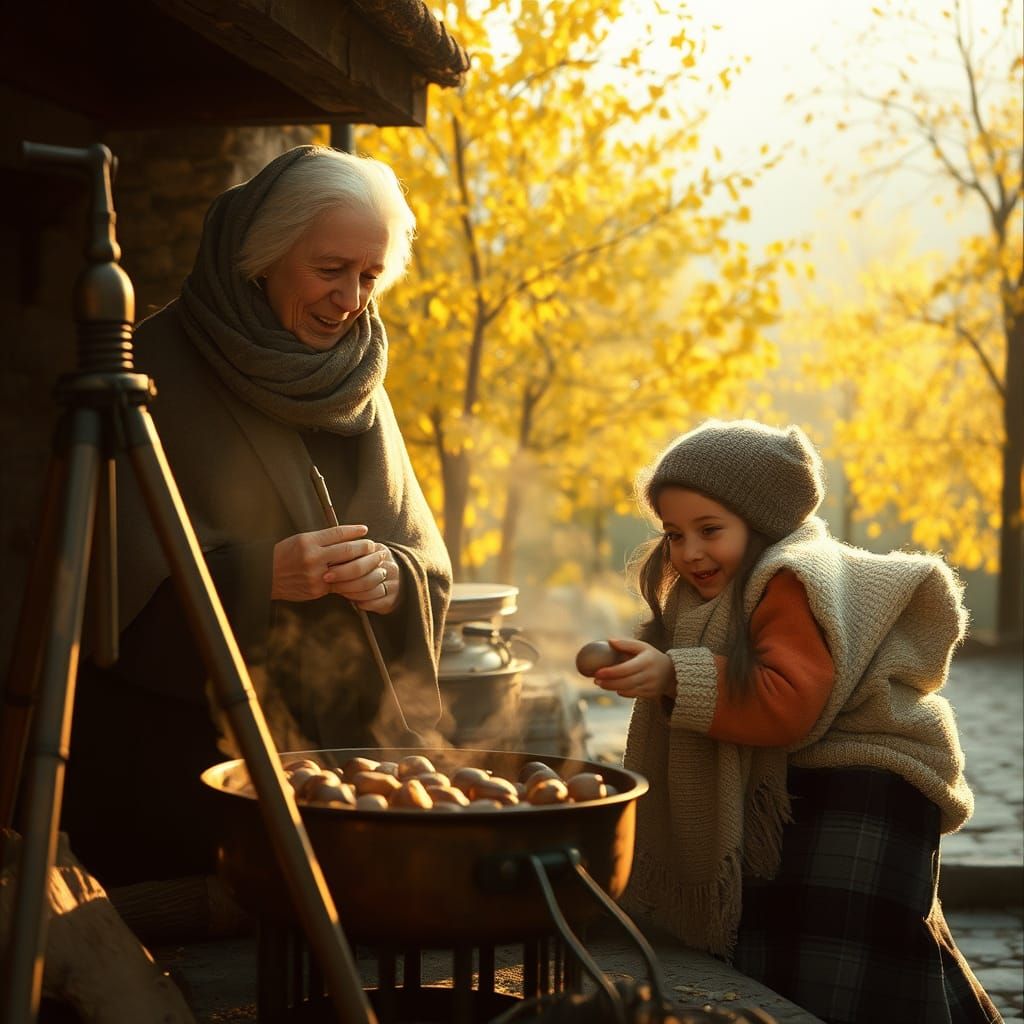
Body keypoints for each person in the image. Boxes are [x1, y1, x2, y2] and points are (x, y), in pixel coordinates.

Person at [61, 146, 452, 894]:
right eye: (330, 269)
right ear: (263, 257)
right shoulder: (149, 369)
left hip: (342, 769)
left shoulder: (358, 374)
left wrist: (393, 579)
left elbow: (420, 555)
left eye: (370, 276)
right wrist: (255, 576)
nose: (351, 300)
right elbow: (98, 588)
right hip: (182, 767)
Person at [587, 419, 998, 1024]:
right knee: (812, 943)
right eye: (674, 534)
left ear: (762, 523)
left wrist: (675, 675)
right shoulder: (718, 589)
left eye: (709, 530)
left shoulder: (790, 579)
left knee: (846, 953)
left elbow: (786, 702)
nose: (688, 551)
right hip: (817, 772)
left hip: (873, 776)